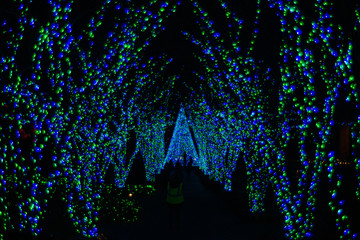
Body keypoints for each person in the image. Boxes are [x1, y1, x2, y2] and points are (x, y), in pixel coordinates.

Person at [166, 161, 184, 231]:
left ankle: (170, 225)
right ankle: (177, 225)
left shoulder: (169, 184)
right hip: (179, 201)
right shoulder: (180, 184)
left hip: (170, 200)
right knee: (177, 214)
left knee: (171, 214)